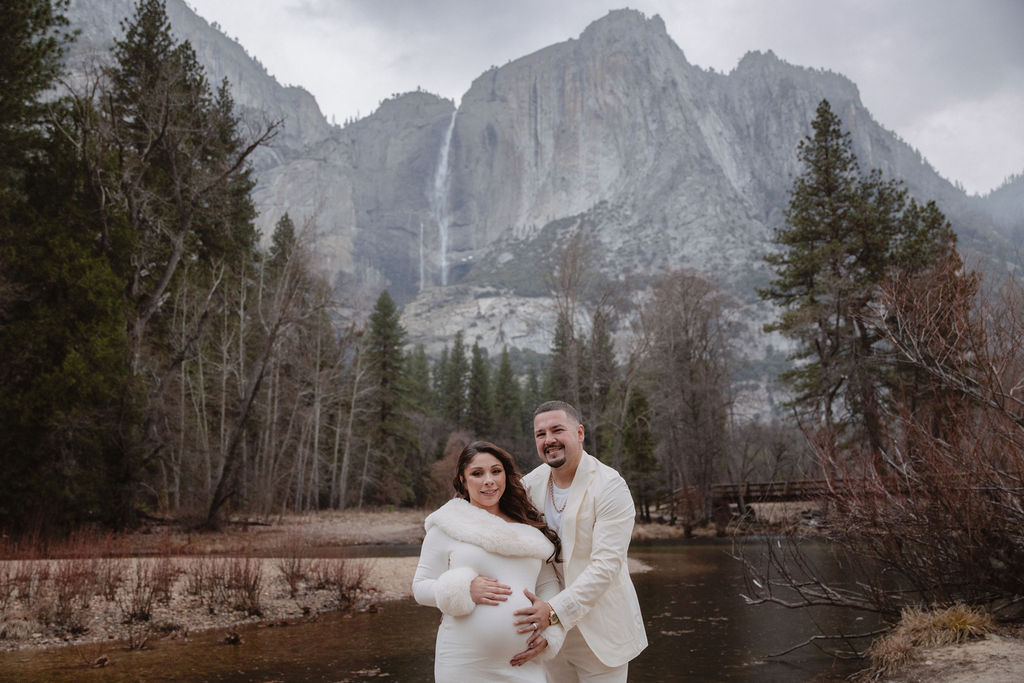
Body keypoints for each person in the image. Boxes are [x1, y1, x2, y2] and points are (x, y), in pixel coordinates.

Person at [512, 400, 648, 682]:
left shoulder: (610, 486)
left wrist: (552, 611)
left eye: (557, 430)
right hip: (548, 635)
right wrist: (464, 590)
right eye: (541, 434)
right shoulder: (529, 486)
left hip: (601, 633)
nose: (549, 440)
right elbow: (497, 536)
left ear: (579, 433)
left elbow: (606, 567)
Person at [413, 441, 567, 682]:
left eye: (496, 471)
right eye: (477, 473)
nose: (489, 480)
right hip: (464, 661)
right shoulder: (447, 524)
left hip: (524, 663)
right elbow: (420, 587)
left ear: (506, 474)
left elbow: (547, 585)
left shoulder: (529, 529)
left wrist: (550, 630)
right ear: (463, 480)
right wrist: (463, 589)